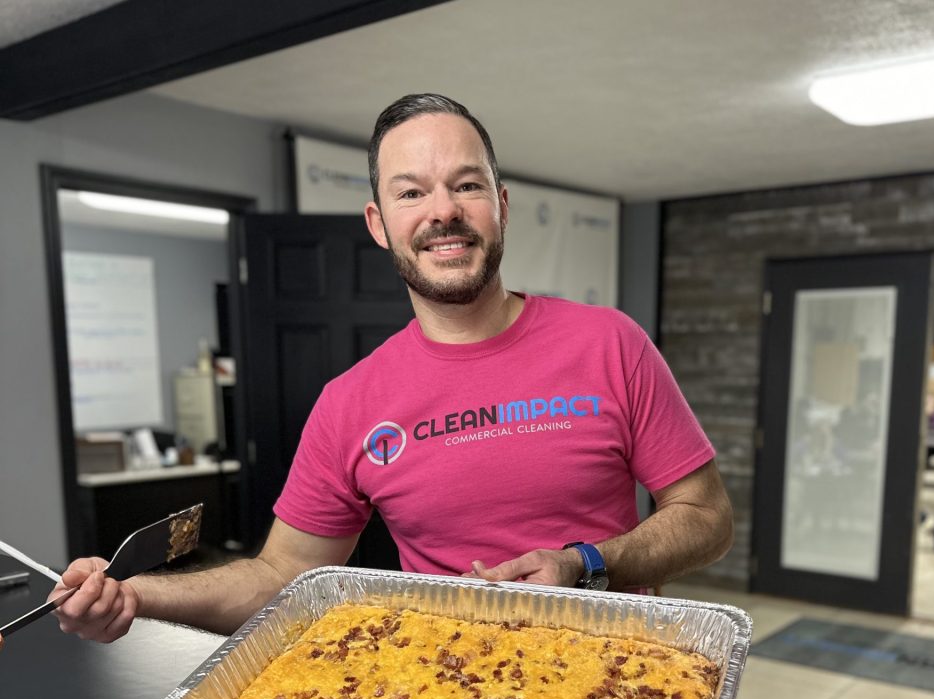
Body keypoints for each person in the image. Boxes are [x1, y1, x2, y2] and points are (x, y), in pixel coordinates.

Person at [52, 93, 733, 644]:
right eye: (412, 193)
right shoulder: (352, 402)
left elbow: (706, 517)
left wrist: (588, 563)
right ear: (379, 224)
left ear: (501, 205)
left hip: (622, 673)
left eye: (467, 185)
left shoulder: (610, 343)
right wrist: (133, 595)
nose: (443, 211)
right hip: (448, 696)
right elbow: (280, 576)